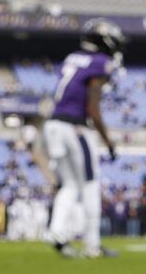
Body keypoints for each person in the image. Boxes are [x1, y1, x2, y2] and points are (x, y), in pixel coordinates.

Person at [44, 19, 124, 259]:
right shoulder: (100, 63)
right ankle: (92, 244)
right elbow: (93, 108)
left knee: (69, 183)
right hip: (74, 127)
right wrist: (108, 141)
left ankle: (57, 234)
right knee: (90, 183)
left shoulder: (73, 58)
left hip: (53, 123)